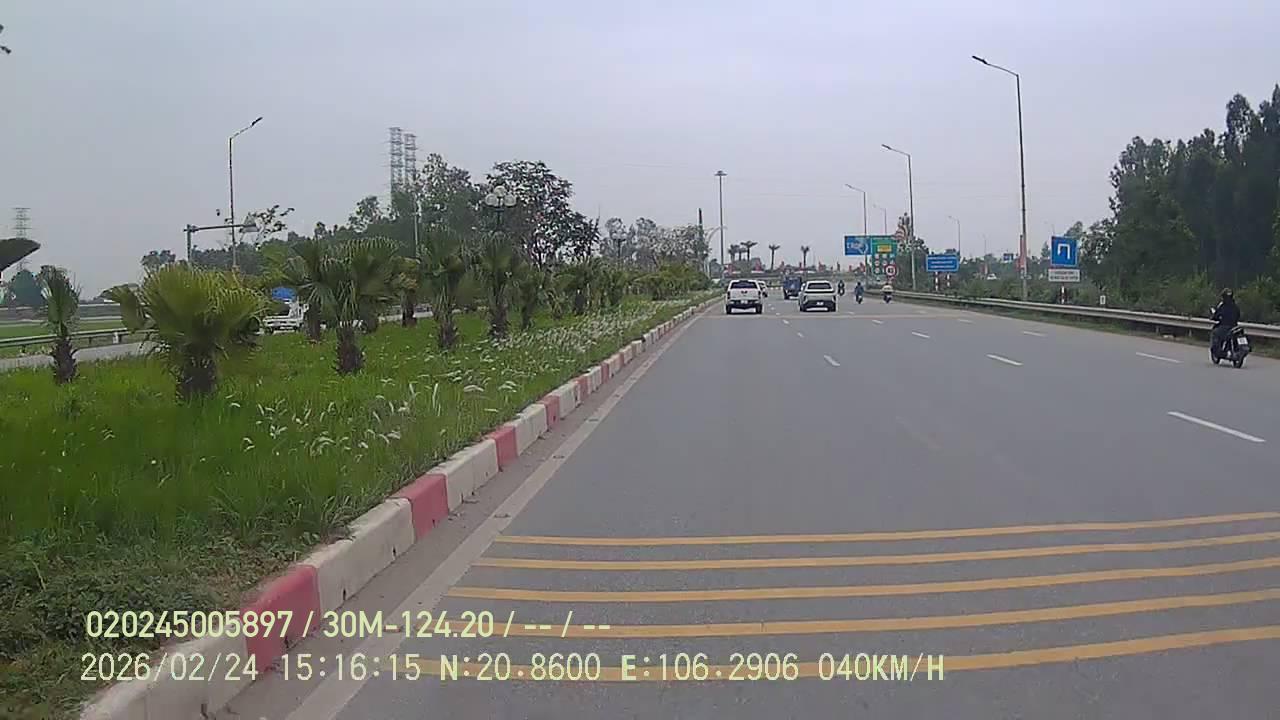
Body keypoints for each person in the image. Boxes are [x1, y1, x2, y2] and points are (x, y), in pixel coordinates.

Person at [1211, 288, 1241, 353]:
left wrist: (1214, 317)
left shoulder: (1223, 306)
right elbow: (1238, 315)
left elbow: (1216, 315)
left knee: (1215, 333)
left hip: (1225, 326)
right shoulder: (1235, 306)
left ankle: (1218, 351)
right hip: (1235, 326)